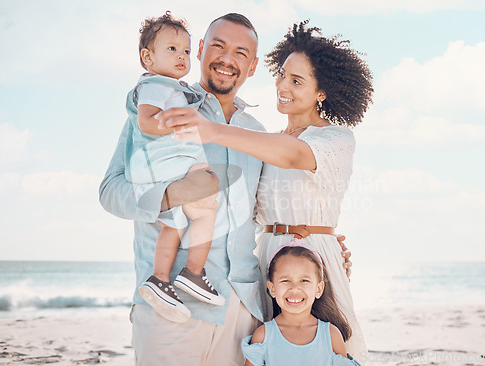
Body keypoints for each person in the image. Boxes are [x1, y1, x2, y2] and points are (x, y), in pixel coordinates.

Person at [100, 14, 351, 365]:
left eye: (240, 52)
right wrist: (174, 195)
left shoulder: (258, 132)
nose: (227, 58)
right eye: (218, 45)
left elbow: (266, 212)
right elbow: (110, 191)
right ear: (200, 50)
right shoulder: (163, 112)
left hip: (244, 309)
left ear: (252, 67)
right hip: (173, 305)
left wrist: (317, 243)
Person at [157, 20, 372, 358]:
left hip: (314, 262)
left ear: (322, 93)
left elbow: (294, 156)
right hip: (269, 263)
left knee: (322, 352)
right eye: (283, 74)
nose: (283, 85)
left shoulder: (336, 138)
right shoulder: (266, 141)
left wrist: (211, 130)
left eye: (297, 81)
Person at [126, 12, 224, 324]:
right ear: (148, 56)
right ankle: (193, 273)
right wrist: (180, 126)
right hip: (174, 165)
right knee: (207, 212)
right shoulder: (157, 85)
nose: (181, 57)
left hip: (171, 167)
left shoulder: (169, 86)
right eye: (171, 50)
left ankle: (159, 278)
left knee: (175, 223)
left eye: (184, 51)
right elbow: (146, 121)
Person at [242, 239, 361, 365]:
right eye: (285, 281)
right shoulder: (263, 336)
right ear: (272, 288)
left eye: (304, 280)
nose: (294, 288)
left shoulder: (332, 335)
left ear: (319, 289)